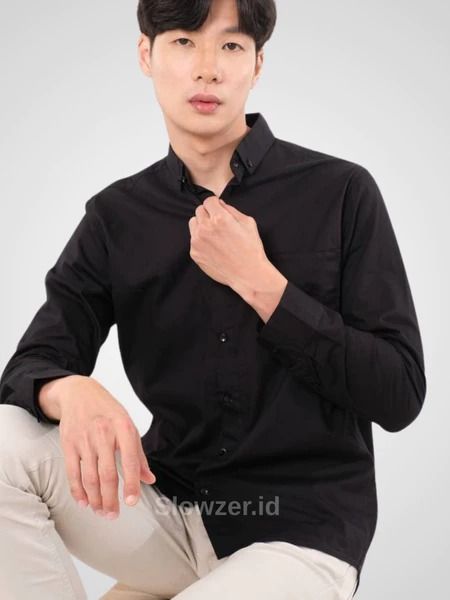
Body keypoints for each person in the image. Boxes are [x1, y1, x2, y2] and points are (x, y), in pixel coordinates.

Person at [0, 0, 426, 598]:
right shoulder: (116, 217)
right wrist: (71, 390)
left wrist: (262, 284)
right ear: (146, 54)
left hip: (301, 531)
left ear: (257, 64)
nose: (208, 68)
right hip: (167, 514)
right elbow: (32, 364)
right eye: (183, 41)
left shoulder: (341, 192)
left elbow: (401, 393)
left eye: (230, 46)